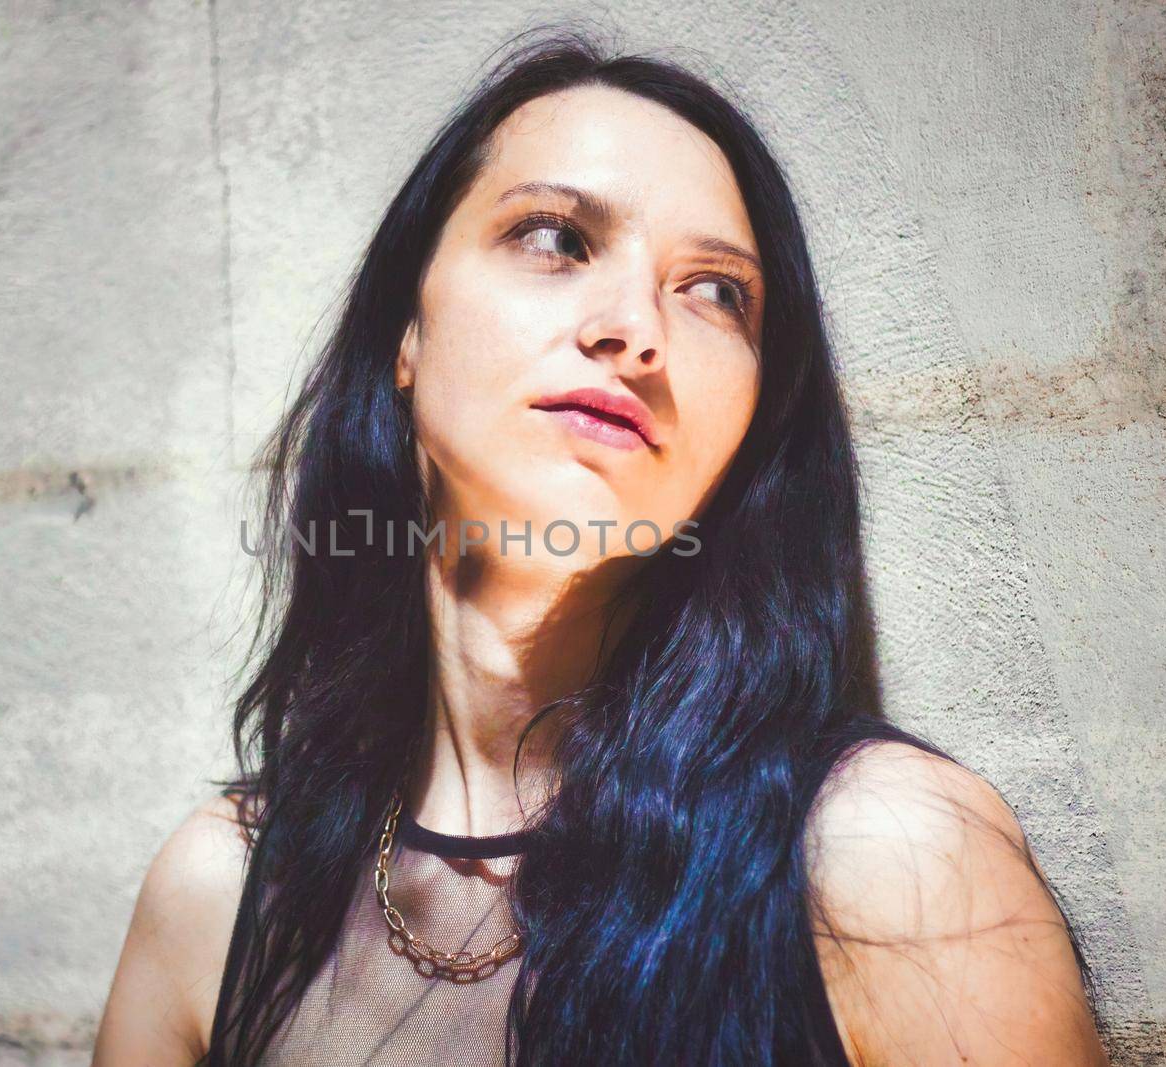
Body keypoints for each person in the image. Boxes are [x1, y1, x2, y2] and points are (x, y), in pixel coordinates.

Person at [92, 28, 1111, 1067]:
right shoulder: (216, 896)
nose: (635, 328)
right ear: (407, 334)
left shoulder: (885, 857)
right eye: (553, 236)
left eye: (716, 290)